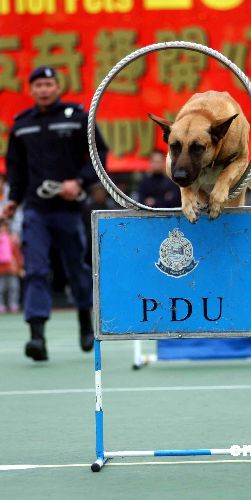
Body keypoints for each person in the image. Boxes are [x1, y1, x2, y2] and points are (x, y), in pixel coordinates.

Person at [2, 66, 108, 361]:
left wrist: (80, 182)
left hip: (70, 211)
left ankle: (85, 324)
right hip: (36, 210)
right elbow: (15, 167)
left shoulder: (77, 118)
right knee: (35, 269)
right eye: (38, 85)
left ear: (57, 86)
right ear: (31, 90)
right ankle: (37, 338)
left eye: (48, 84)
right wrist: (13, 199)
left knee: (77, 269)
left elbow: (100, 154)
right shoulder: (22, 124)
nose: (44, 90)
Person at [0, 218, 23, 313]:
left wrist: (20, 267)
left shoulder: (11, 240)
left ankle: (13, 304)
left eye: (3, 227)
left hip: (11, 269)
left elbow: (17, 254)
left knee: (14, 288)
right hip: (0, 270)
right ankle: (1, 305)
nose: (2, 229)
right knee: (1, 289)